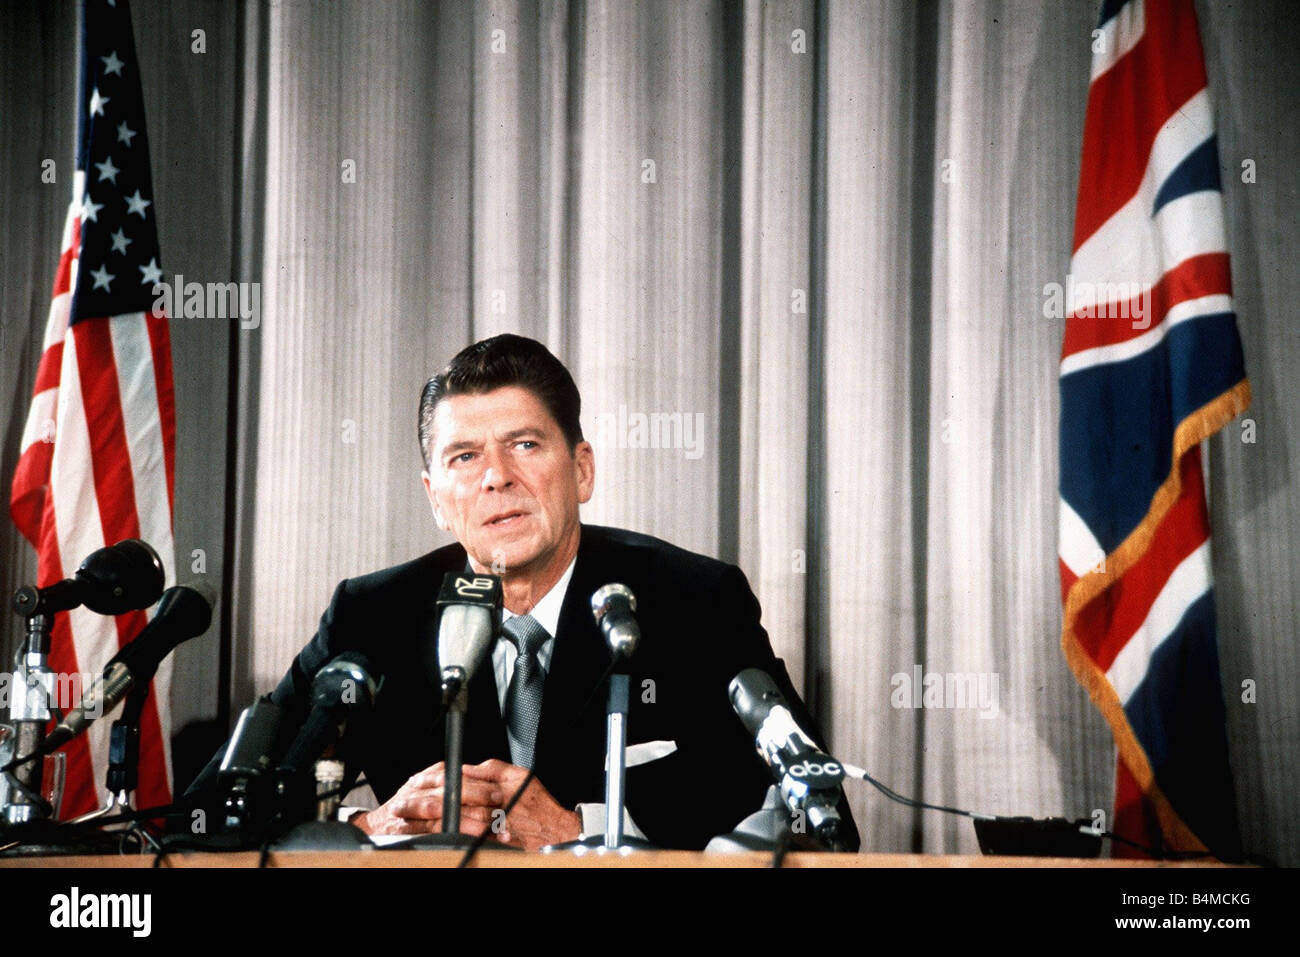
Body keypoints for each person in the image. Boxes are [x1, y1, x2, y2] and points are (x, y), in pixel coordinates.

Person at [195, 334, 858, 851]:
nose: (497, 478)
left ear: (582, 469)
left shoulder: (691, 600)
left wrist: (585, 826)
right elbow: (209, 811)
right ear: (434, 497)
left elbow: (817, 816)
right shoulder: (372, 617)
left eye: (524, 444)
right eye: (464, 456)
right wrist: (365, 828)